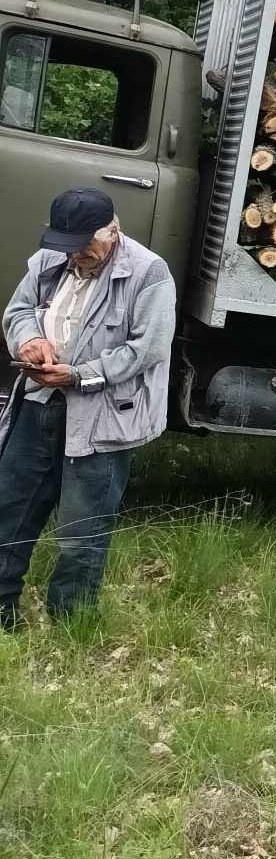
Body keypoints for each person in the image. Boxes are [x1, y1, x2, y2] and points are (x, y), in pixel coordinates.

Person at [0, 189, 175, 630]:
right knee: (8, 511)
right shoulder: (49, 260)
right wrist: (30, 341)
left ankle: (69, 624)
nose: (74, 254)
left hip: (103, 418)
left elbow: (148, 349)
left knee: (81, 533)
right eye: (66, 244)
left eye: (83, 244)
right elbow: (19, 310)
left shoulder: (150, 272)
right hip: (38, 403)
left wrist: (79, 374)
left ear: (111, 231)